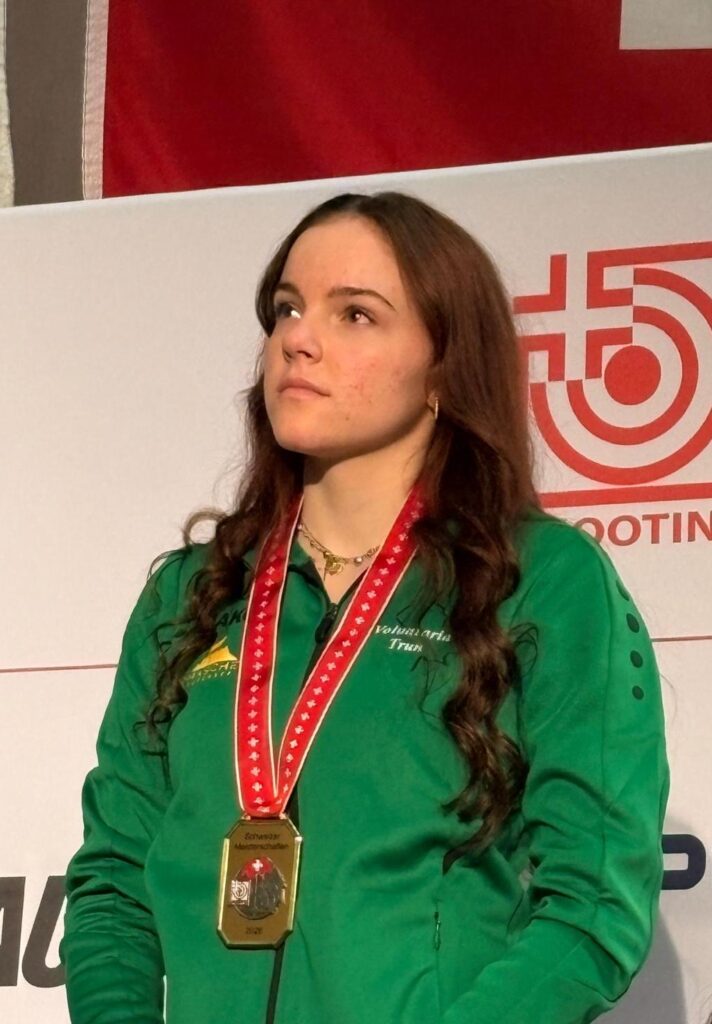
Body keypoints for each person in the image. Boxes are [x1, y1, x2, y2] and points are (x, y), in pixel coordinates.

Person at [60, 190, 670, 1024]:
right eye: (287, 308)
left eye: (355, 315)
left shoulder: (543, 579)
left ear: (443, 366)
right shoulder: (192, 592)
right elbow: (114, 886)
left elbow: (593, 904)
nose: (298, 339)